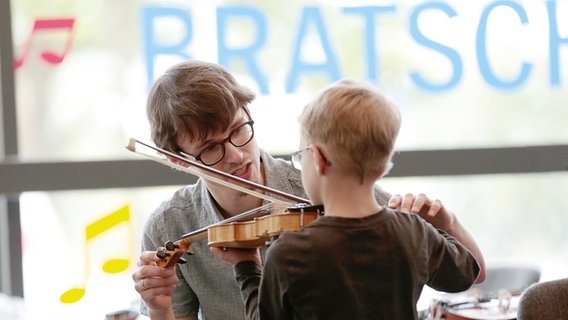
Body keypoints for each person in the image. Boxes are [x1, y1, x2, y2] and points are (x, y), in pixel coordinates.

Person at [131, 60, 485, 320]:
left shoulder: (328, 184)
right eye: (211, 148)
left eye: (239, 130)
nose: (237, 154)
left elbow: (472, 274)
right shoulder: (168, 228)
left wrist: (446, 221)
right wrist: (159, 310)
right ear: (181, 161)